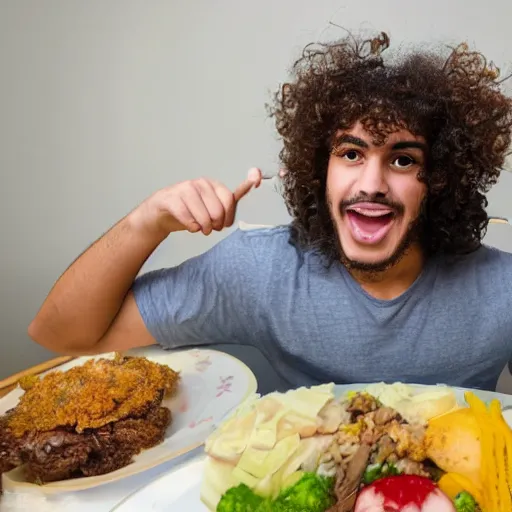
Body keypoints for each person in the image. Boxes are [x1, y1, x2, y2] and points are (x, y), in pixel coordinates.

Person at [28, 31, 512, 392]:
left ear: (441, 177)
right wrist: (147, 221)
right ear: (319, 168)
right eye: (350, 153)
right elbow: (62, 333)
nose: (371, 184)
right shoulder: (261, 271)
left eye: (403, 160)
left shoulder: (502, 288)